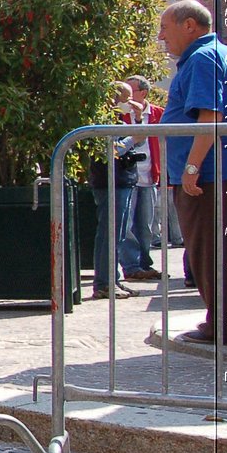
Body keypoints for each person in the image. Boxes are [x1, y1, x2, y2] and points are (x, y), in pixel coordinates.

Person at [157, 0, 227, 345]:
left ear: (189, 26)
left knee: (210, 251)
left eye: (165, 28)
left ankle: (226, 325)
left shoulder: (201, 58)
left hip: (212, 176)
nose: (161, 36)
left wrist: (192, 168)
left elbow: (210, 117)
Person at [90, 82, 144, 299]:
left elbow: (133, 145)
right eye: (125, 98)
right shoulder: (102, 117)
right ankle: (104, 283)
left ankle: (112, 280)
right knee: (109, 234)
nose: (128, 103)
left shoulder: (116, 118)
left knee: (117, 234)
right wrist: (133, 137)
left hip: (122, 180)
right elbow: (111, 149)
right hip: (109, 181)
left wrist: (137, 121)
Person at [120, 75, 165, 283]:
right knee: (127, 225)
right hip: (128, 176)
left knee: (146, 225)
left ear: (143, 93)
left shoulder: (158, 113)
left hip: (150, 175)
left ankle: (144, 263)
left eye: (131, 90)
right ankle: (131, 266)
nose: (127, 96)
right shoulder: (120, 115)